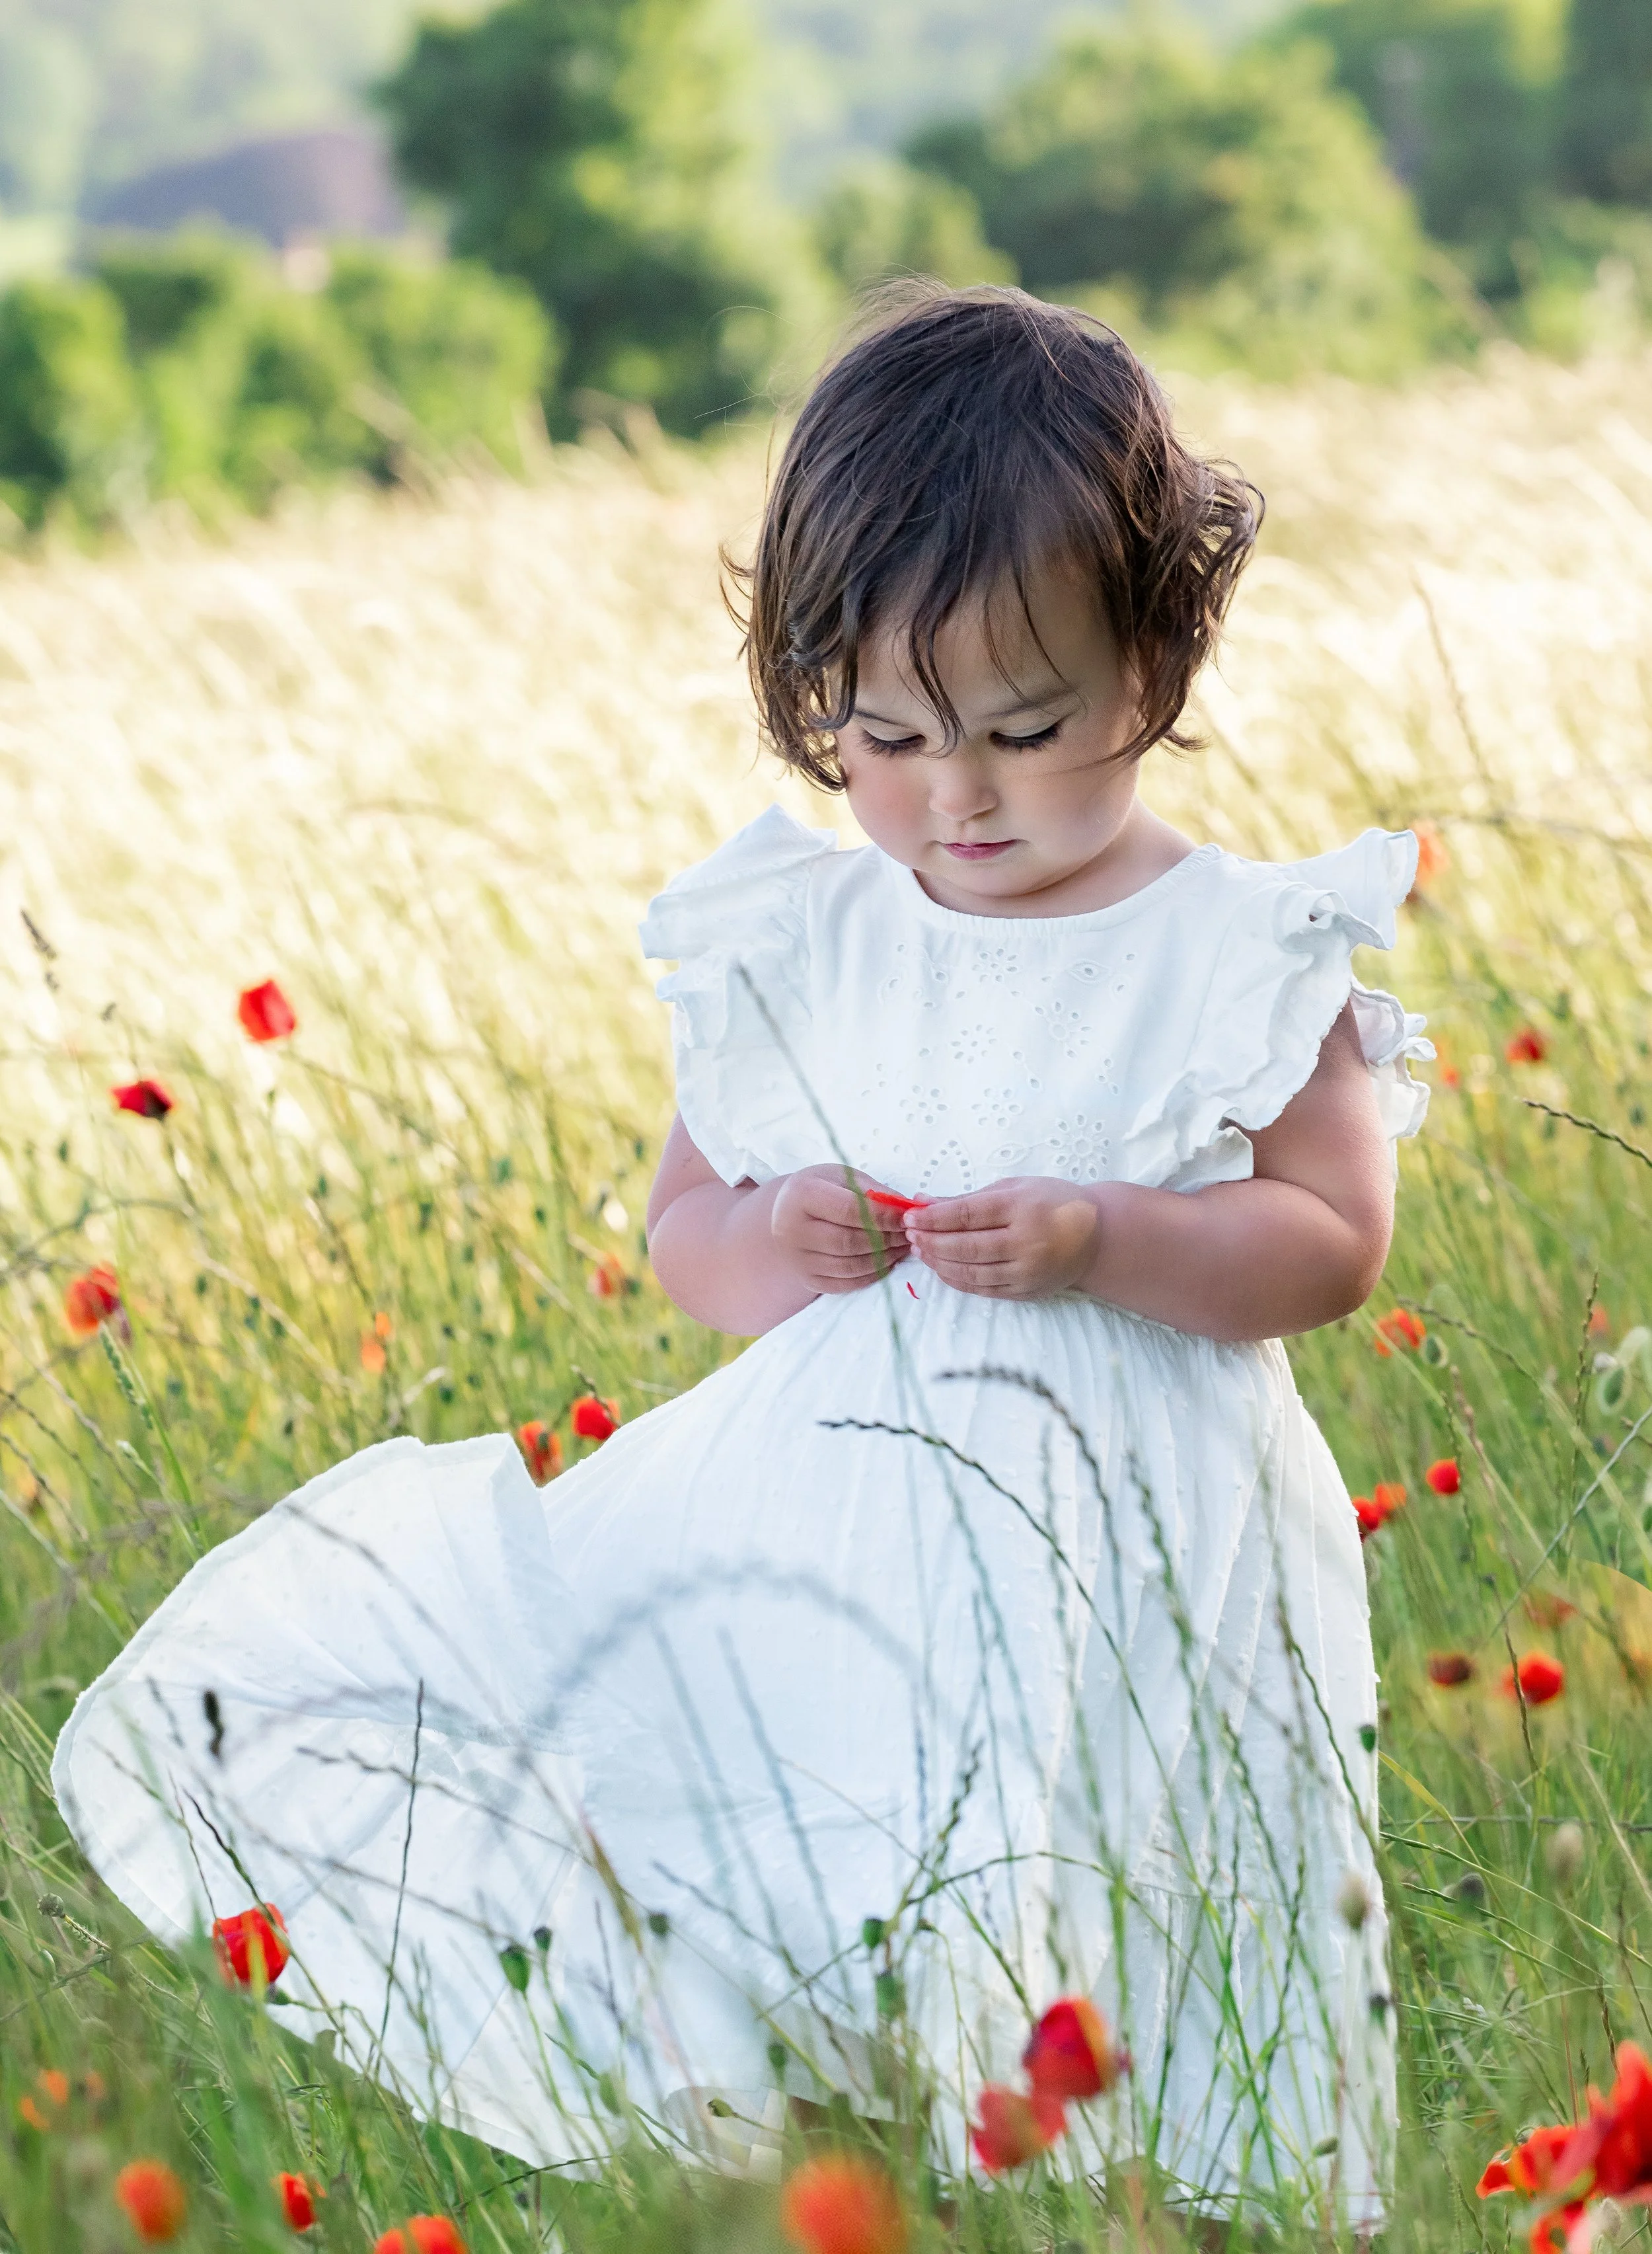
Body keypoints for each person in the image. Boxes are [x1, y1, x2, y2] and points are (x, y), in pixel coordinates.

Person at [54, 287, 1427, 2232]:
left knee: (1123, 1919)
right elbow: (684, 1234)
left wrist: (1111, 1233)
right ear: (810, 695)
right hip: (827, 1533)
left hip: (1134, 1551)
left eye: (1023, 733)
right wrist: (774, 1238)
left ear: (1155, 661)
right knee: (817, 1882)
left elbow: (1327, 1239)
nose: (955, 797)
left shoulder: (1234, 946)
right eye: (886, 733)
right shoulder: (807, 937)